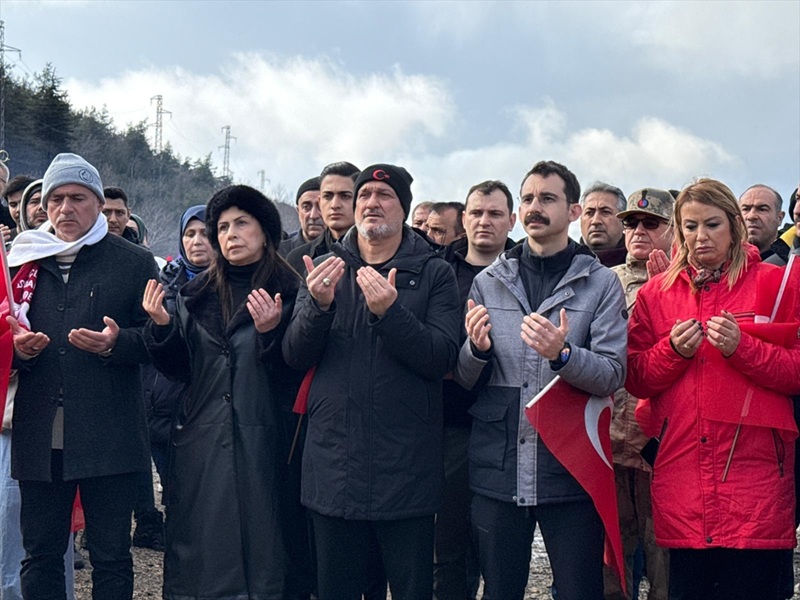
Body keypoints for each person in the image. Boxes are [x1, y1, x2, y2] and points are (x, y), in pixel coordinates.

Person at [283, 164, 461, 600]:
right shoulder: (325, 269)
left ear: (403, 209)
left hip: (406, 474)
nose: (371, 203)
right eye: (364, 195)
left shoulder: (435, 273)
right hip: (334, 468)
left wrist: (391, 314)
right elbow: (294, 355)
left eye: (384, 195)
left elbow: (440, 358)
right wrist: (318, 308)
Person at [455, 160, 627, 600]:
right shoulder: (488, 282)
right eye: (528, 198)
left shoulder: (601, 284)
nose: (535, 207)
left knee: (578, 591)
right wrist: (475, 351)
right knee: (500, 590)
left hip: (570, 465)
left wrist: (562, 354)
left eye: (547, 198)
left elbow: (611, 373)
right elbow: (463, 376)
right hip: (499, 463)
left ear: (573, 211)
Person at [626, 178, 800, 600]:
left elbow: (796, 372)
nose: (699, 236)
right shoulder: (656, 293)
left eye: (712, 224)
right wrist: (671, 352)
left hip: (756, 480)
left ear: (734, 227)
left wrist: (744, 349)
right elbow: (635, 377)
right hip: (683, 474)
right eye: (689, 226)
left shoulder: (775, 283)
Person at [6, 153, 158, 599]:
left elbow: (160, 341)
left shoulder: (133, 262)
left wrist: (119, 343)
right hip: (39, 430)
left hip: (110, 431)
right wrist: (17, 351)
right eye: (56, 199)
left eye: (78, 198)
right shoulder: (22, 262)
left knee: (112, 556)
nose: (65, 209)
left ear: (97, 202)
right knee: (41, 553)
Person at [143, 185, 307, 600]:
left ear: (265, 232)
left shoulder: (292, 293)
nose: (230, 234)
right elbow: (182, 370)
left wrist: (272, 335)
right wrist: (162, 327)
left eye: (241, 224)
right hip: (201, 441)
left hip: (271, 439)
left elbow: (301, 368)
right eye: (223, 227)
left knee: (271, 550)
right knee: (202, 556)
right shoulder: (191, 297)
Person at [434, 180, 516, 600]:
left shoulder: (525, 275)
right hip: (450, 425)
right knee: (447, 550)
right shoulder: (438, 273)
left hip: (507, 429)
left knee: (501, 552)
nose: (485, 221)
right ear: (463, 219)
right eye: (477, 213)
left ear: (511, 221)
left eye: (495, 214)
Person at [604, 188, 674, 600]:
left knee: (662, 555)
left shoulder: (685, 280)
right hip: (610, 438)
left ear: (671, 229)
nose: (638, 231)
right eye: (630, 223)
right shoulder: (603, 282)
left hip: (660, 442)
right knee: (611, 556)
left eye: (652, 223)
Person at [285, 161, 360, 275]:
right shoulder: (298, 259)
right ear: (320, 201)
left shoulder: (381, 253)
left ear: (360, 200)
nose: (335, 205)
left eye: (345, 196)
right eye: (328, 196)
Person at [738, 184, 789, 264]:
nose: (751, 216)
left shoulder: (792, 264)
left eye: (762, 209)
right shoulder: (718, 262)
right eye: (745, 209)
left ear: (779, 218)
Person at [580, 181, 627, 267]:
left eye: (605, 212)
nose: (596, 221)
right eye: (589, 213)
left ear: (624, 221)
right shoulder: (560, 266)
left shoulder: (645, 266)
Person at [279, 176, 323, 256]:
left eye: (320, 207)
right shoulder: (279, 254)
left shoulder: (343, 253)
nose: (313, 215)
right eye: (306, 207)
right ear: (298, 211)